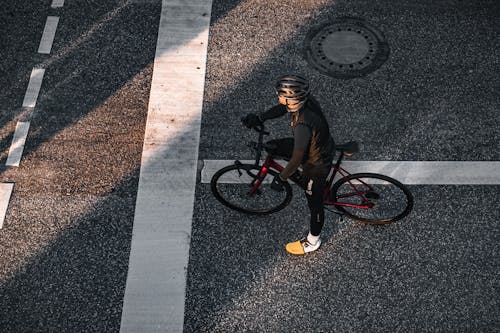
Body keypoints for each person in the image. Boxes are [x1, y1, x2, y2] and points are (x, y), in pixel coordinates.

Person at [242, 74, 335, 255]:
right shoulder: (304, 101)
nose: (278, 96)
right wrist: (261, 117)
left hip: (316, 163)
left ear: (290, 98)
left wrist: (281, 177)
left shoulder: (302, 125)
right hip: (318, 144)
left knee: (315, 204)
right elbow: (282, 108)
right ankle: (303, 180)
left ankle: (312, 241)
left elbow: (297, 158)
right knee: (275, 147)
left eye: (280, 94)